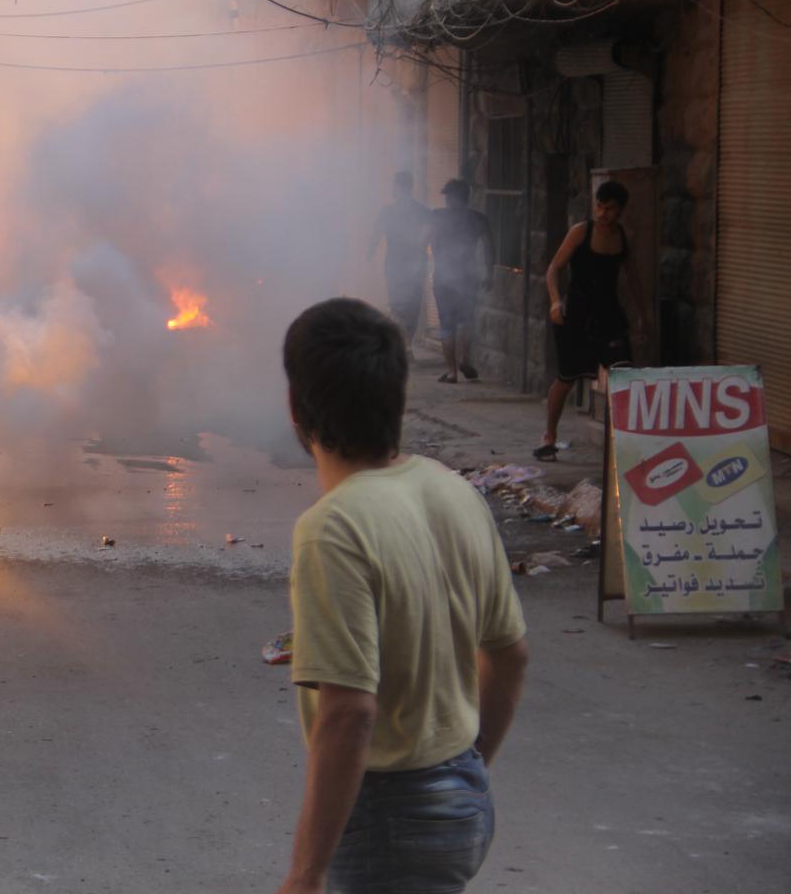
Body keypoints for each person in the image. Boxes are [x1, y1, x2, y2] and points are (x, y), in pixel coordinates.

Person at [276, 297, 529, 894]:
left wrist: (304, 876)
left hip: (390, 817)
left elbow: (348, 712)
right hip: (461, 798)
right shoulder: (452, 490)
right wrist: (464, 771)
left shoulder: (332, 527)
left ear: (297, 409)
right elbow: (511, 653)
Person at [534, 180, 644, 461]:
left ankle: (627, 443)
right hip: (577, 314)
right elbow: (553, 269)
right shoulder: (581, 232)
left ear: (620, 211)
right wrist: (556, 300)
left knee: (624, 375)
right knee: (567, 377)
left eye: (609, 209)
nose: (602, 213)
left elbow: (633, 280)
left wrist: (642, 318)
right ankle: (549, 436)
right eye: (599, 206)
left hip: (609, 314)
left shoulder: (623, 236)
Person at [428, 179, 493, 383]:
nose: (446, 200)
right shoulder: (478, 219)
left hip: (443, 278)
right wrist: (489, 273)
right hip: (468, 277)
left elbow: (421, 241)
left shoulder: (436, 217)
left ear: (451, 198)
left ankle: (452, 372)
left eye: (447, 196)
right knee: (465, 320)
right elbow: (489, 248)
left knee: (447, 324)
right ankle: (464, 359)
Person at [368, 170, 430, 340]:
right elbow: (428, 237)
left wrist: (370, 253)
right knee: (412, 305)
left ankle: (404, 344)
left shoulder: (387, 211)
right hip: (414, 265)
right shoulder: (423, 211)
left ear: (399, 186)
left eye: (393, 185)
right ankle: (406, 343)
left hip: (396, 265)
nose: (391, 189)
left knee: (397, 306)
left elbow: (375, 236)